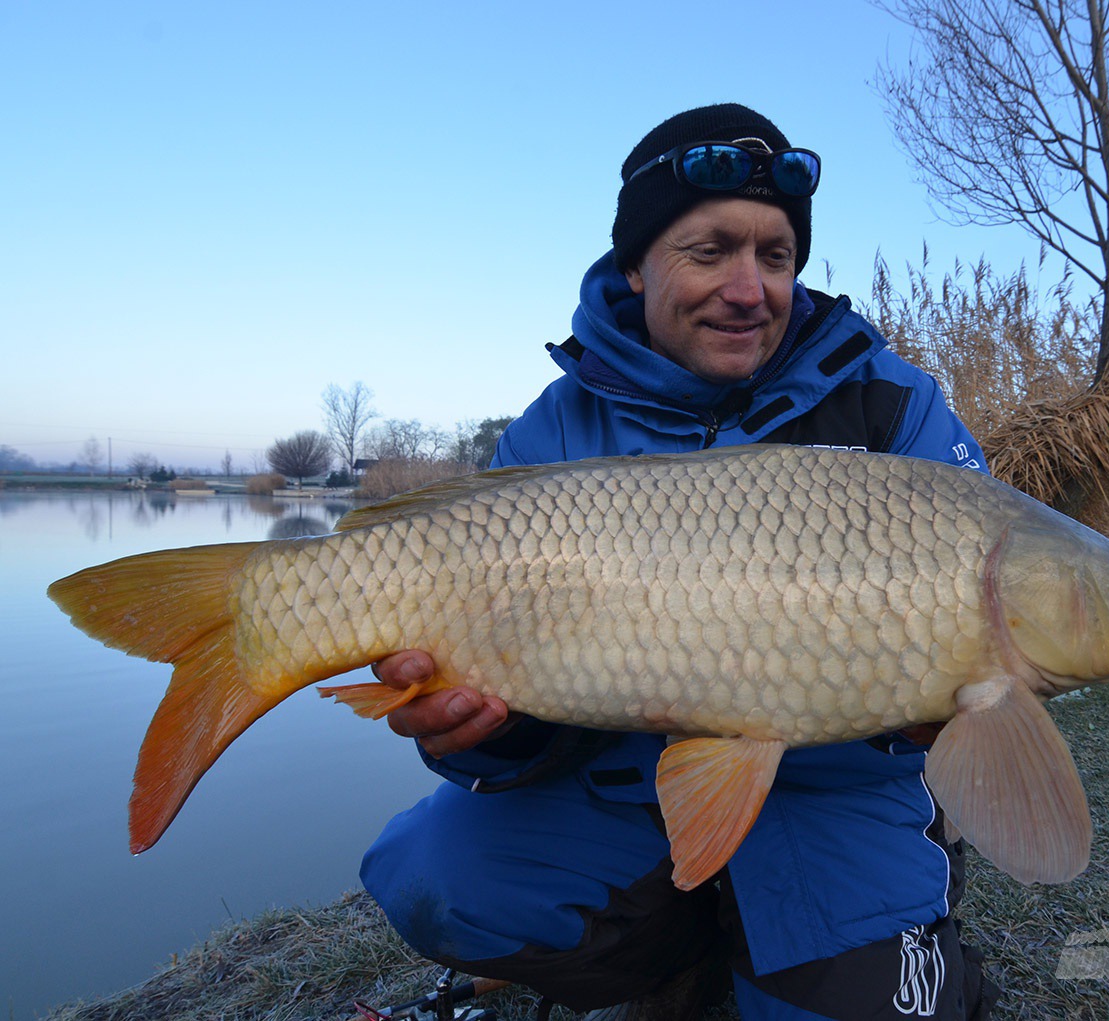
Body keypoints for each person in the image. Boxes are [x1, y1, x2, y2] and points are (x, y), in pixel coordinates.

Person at [361, 104, 999, 1021]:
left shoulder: (893, 413)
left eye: (774, 256)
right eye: (709, 251)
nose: (750, 288)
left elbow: (983, 656)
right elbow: (506, 732)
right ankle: (677, 965)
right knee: (433, 873)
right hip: (624, 794)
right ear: (637, 264)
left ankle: (857, 955)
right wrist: (493, 730)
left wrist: (953, 704)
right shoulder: (555, 431)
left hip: (836, 805)